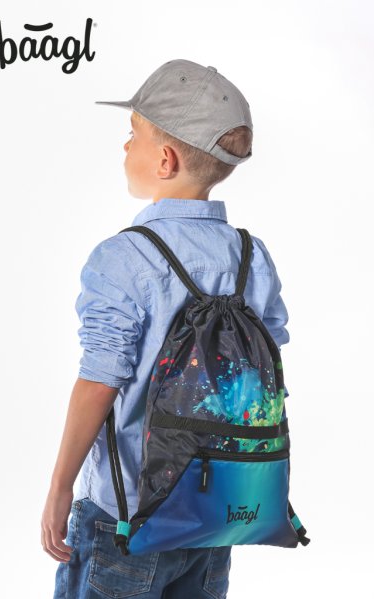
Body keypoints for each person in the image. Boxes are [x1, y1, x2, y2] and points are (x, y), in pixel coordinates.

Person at [41, 58, 290, 598]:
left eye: (132, 135)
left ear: (165, 159)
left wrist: (60, 488)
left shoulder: (123, 258)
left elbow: (99, 382)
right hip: (219, 509)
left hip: (126, 516)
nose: (124, 146)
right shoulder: (253, 257)